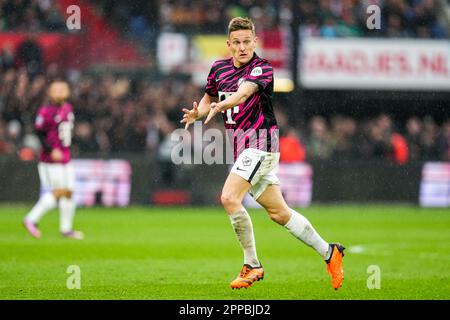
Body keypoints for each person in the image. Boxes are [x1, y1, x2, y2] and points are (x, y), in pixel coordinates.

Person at [181, 17, 344, 290]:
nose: (243, 47)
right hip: (244, 149)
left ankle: (252, 265)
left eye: (247, 42)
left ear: (255, 42)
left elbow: (242, 95)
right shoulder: (218, 68)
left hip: (261, 144)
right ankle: (330, 252)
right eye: (237, 43)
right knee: (279, 213)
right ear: (229, 45)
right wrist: (199, 112)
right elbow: (210, 95)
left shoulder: (262, 68)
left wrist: (221, 106)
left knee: (229, 197)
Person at [23, 81, 83, 240]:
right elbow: (39, 133)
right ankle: (31, 218)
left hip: (65, 157)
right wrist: (51, 149)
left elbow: (66, 132)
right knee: (59, 192)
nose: (60, 92)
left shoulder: (68, 108)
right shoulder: (46, 111)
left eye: (62, 89)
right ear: (49, 93)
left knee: (69, 192)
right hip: (50, 160)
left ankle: (66, 228)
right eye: (56, 89)